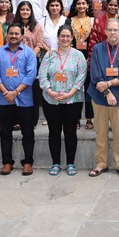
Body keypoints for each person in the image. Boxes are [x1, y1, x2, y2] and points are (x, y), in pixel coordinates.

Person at [39, 25, 88, 176]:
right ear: (58, 37)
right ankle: (55, 163)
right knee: (54, 132)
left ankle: (71, 163)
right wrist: (50, 91)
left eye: (68, 36)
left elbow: (81, 76)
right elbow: (42, 75)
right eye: (62, 36)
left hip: (72, 100)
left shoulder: (78, 55)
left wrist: (70, 93)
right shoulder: (50, 55)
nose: (65, 39)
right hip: (51, 100)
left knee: (70, 132)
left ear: (72, 38)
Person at [88, 18, 119, 178]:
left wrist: (108, 84)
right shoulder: (97, 49)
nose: (113, 32)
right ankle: (101, 163)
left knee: (118, 133)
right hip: (99, 97)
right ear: (105, 32)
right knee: (100, 132)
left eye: (116, 30)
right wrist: (107, 92)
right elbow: (95, 74)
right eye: (110, 30)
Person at [0, 23, 38, 176]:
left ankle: (28, 162)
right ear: (7, 35)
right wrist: (7, 93)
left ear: (22, 35)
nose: (13, 36)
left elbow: (31, 75)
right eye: (11, 33)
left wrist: (16, 92)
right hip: (5, 100)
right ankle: (7, 162)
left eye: (16, 33)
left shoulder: (29, 53)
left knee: (28, 133)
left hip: (25, 100)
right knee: (5, 133)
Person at [65, 0, 95, 129]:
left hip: (90, 57)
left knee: (89, 89)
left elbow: (95, 40)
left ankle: (89, 118)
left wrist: (91, 57)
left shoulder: (93, 21)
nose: (81, 6)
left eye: (84, 3)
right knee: (74, 88)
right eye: (79, 3)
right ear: (75, 6)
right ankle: (75, 118)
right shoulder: (69, 21)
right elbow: (66, 39)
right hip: (73, 57)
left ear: (88, 5)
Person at [16, 0, 46, 126]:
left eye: (27, 9)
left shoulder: (37, 26)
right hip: (16, 62)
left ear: (31, 11)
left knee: (33, 91)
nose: (25, 12)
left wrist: (29, 57)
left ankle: (32, 120)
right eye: (22, 9)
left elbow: (39, 44)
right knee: (18, 89)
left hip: (33, 61)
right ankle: (17, 120)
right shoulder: (15, 25)